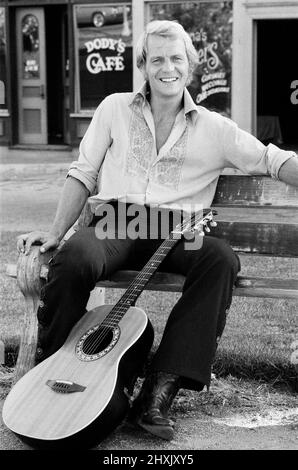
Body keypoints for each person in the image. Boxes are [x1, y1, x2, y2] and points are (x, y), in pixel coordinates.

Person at [17, 20, 298, 441]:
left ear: (191, 65)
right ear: (144, 65)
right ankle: (53, 366)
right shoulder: (113, 108)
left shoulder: (214, 127)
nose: (168, 68)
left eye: (177, 59)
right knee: (76, 256)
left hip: (179, 229)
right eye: (158, 59)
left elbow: (274, 161)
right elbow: (84, 172)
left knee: (220, 259)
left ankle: (158, 393)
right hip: (115, 221)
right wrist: (58, 231)